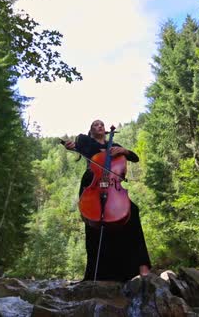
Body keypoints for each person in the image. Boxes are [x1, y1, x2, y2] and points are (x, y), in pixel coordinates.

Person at [63, 119, 151, 282]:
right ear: (91, 130)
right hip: (93, 183)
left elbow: (135, 158)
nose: (100, 126)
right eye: (96, 124)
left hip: (112, 186)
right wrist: (71, 146)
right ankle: (93, 274)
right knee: (93, 224)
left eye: (102, 124)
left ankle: (136, 268)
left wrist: (123, 150)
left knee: (133, 212)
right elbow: (76, 147)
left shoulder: (114, 145)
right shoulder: (86, 141)